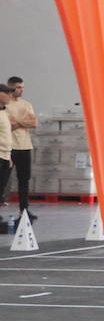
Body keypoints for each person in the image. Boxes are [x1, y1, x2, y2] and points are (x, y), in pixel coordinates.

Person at [4, 76, 37, 216]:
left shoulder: (27, 104)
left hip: (25, 146)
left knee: (24, 179)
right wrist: (24, 120)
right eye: (18, 87)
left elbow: (34, 123)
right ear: (11, 87)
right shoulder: (4, 104)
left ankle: (24, 209)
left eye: (23, 87)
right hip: (9, 147)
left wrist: (17, 122)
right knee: (3, 179)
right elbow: (7, 125)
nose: (21, 90)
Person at [0, 85, 12, 210]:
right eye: (7, 93)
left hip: (5, 155)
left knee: (1, 188)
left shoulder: (4, 111)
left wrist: (8, 156)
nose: (10, 96)